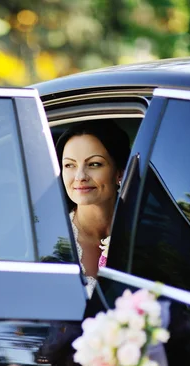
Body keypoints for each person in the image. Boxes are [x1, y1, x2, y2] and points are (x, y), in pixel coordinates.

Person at [55, 120, 130, 298]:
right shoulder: (50, 240)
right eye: (69, 165)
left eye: (94, 164)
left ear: (119, 172)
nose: (80, 176)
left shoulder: (148, 230)